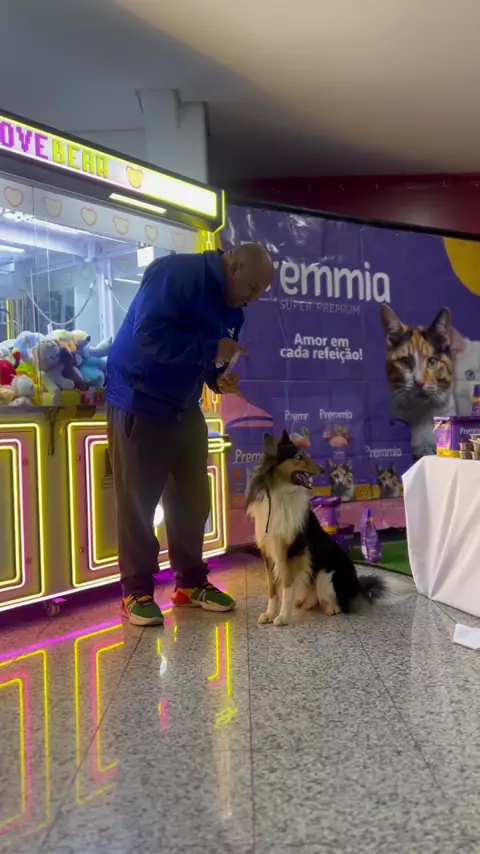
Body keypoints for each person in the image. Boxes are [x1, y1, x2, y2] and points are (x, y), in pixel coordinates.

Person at [106, 243, 274, 626]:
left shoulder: (234, 308)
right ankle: (135, 592)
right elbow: (148, 336)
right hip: (139, 399)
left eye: (260, 292)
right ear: (234, 266)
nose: (253, 299)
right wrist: (212, 348)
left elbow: (208, 361)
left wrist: (217, 378)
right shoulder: (176, 273)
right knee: (138, 504)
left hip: (184, 406)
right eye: (252, 288)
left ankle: (191, 584)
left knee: (193, 500)